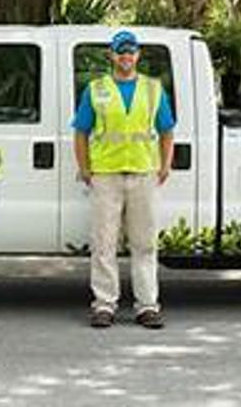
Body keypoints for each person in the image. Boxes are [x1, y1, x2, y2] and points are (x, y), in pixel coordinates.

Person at [73, 30, 175, 329]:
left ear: (138, 55)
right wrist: (85, 167)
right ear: (112, 55)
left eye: (130, 51)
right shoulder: (96, 89)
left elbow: (167, 130)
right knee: (104, 243)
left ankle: (147, 306)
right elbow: (80, 132)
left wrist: (165, 165)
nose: (126, 56)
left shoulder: (154, 89)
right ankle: (104, 305)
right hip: (106, 175)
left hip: (144, 174)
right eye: (121, 51)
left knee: (144, 244)